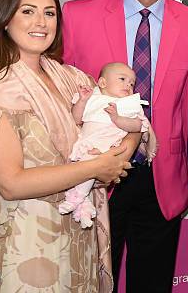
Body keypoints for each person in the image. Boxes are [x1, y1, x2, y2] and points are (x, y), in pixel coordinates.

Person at [0, 0, 134, 292]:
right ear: (5, 20)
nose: (41, 22)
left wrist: (117, 155)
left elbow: (123, 121)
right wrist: (96, 167)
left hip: (80, 236)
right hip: (30, 247)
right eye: (28, 11)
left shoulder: (70, 77)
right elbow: (11, 184)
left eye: (49, 12)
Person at [62, 0, 188, 292]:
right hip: (96, 173)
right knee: (93, 282)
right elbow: (61, 95)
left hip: (161, 176)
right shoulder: (78, 16)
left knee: (153, 284)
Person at [59, 62, 157, 229]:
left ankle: (77, 199)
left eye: (132, 83)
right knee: (83, 168)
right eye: (122, 79)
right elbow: (76, 119)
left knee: (92, 167)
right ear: (103, 83)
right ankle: (83, 204)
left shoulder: (129, 104)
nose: (128, 85)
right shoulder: (92, 97)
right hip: (87, 142)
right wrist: (82, 101)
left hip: (108, 148)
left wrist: (117, 118)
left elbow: (138, 127)